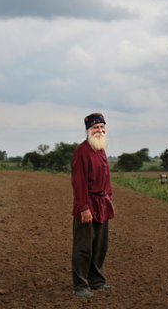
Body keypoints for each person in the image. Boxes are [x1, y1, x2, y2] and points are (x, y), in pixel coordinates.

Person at [71, 113, 115, 298]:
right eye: (96, 128)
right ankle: (80, 286)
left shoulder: (101, 149)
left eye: (102, 127)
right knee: (83, 247)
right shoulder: (82, 150)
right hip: (87, 205)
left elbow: (106, 178)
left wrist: (109, 199)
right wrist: (84, 208)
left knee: (99, 246)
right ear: (88, 130)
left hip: (103, 204)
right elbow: (78, 181)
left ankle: (96, 282)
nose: (100, 130)